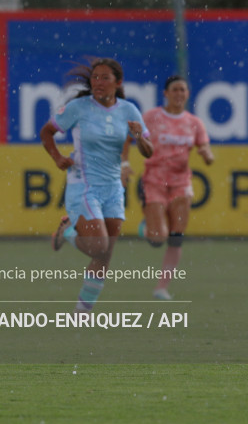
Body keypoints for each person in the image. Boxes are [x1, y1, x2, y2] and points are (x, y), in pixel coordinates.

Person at [41, 58, 153, 314]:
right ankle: (67, 231)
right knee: (99, 245)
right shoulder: (78, 107)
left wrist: (138, 137)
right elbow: (46, 132)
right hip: (84, 185)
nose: (98, 82)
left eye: (104, 78)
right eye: (95, 77)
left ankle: (82, 312)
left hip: (113, 188)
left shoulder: (129, 111)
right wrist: (58, 157)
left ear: (118, 82)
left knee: (104, 255)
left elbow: (148, 151)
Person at [121, 75, 214, 300]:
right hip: (154, 180)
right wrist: (124, 163)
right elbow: (129, 138)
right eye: (174, 89)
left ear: (188, 94)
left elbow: (206, 151)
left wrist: (206, 154)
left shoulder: (194, 123)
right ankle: (149, 226)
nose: (179, 94)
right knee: (157, 238)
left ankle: (161, 287)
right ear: (165, 93)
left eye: (183, 90)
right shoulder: (151, 117)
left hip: (181, 182)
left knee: (176, 236)